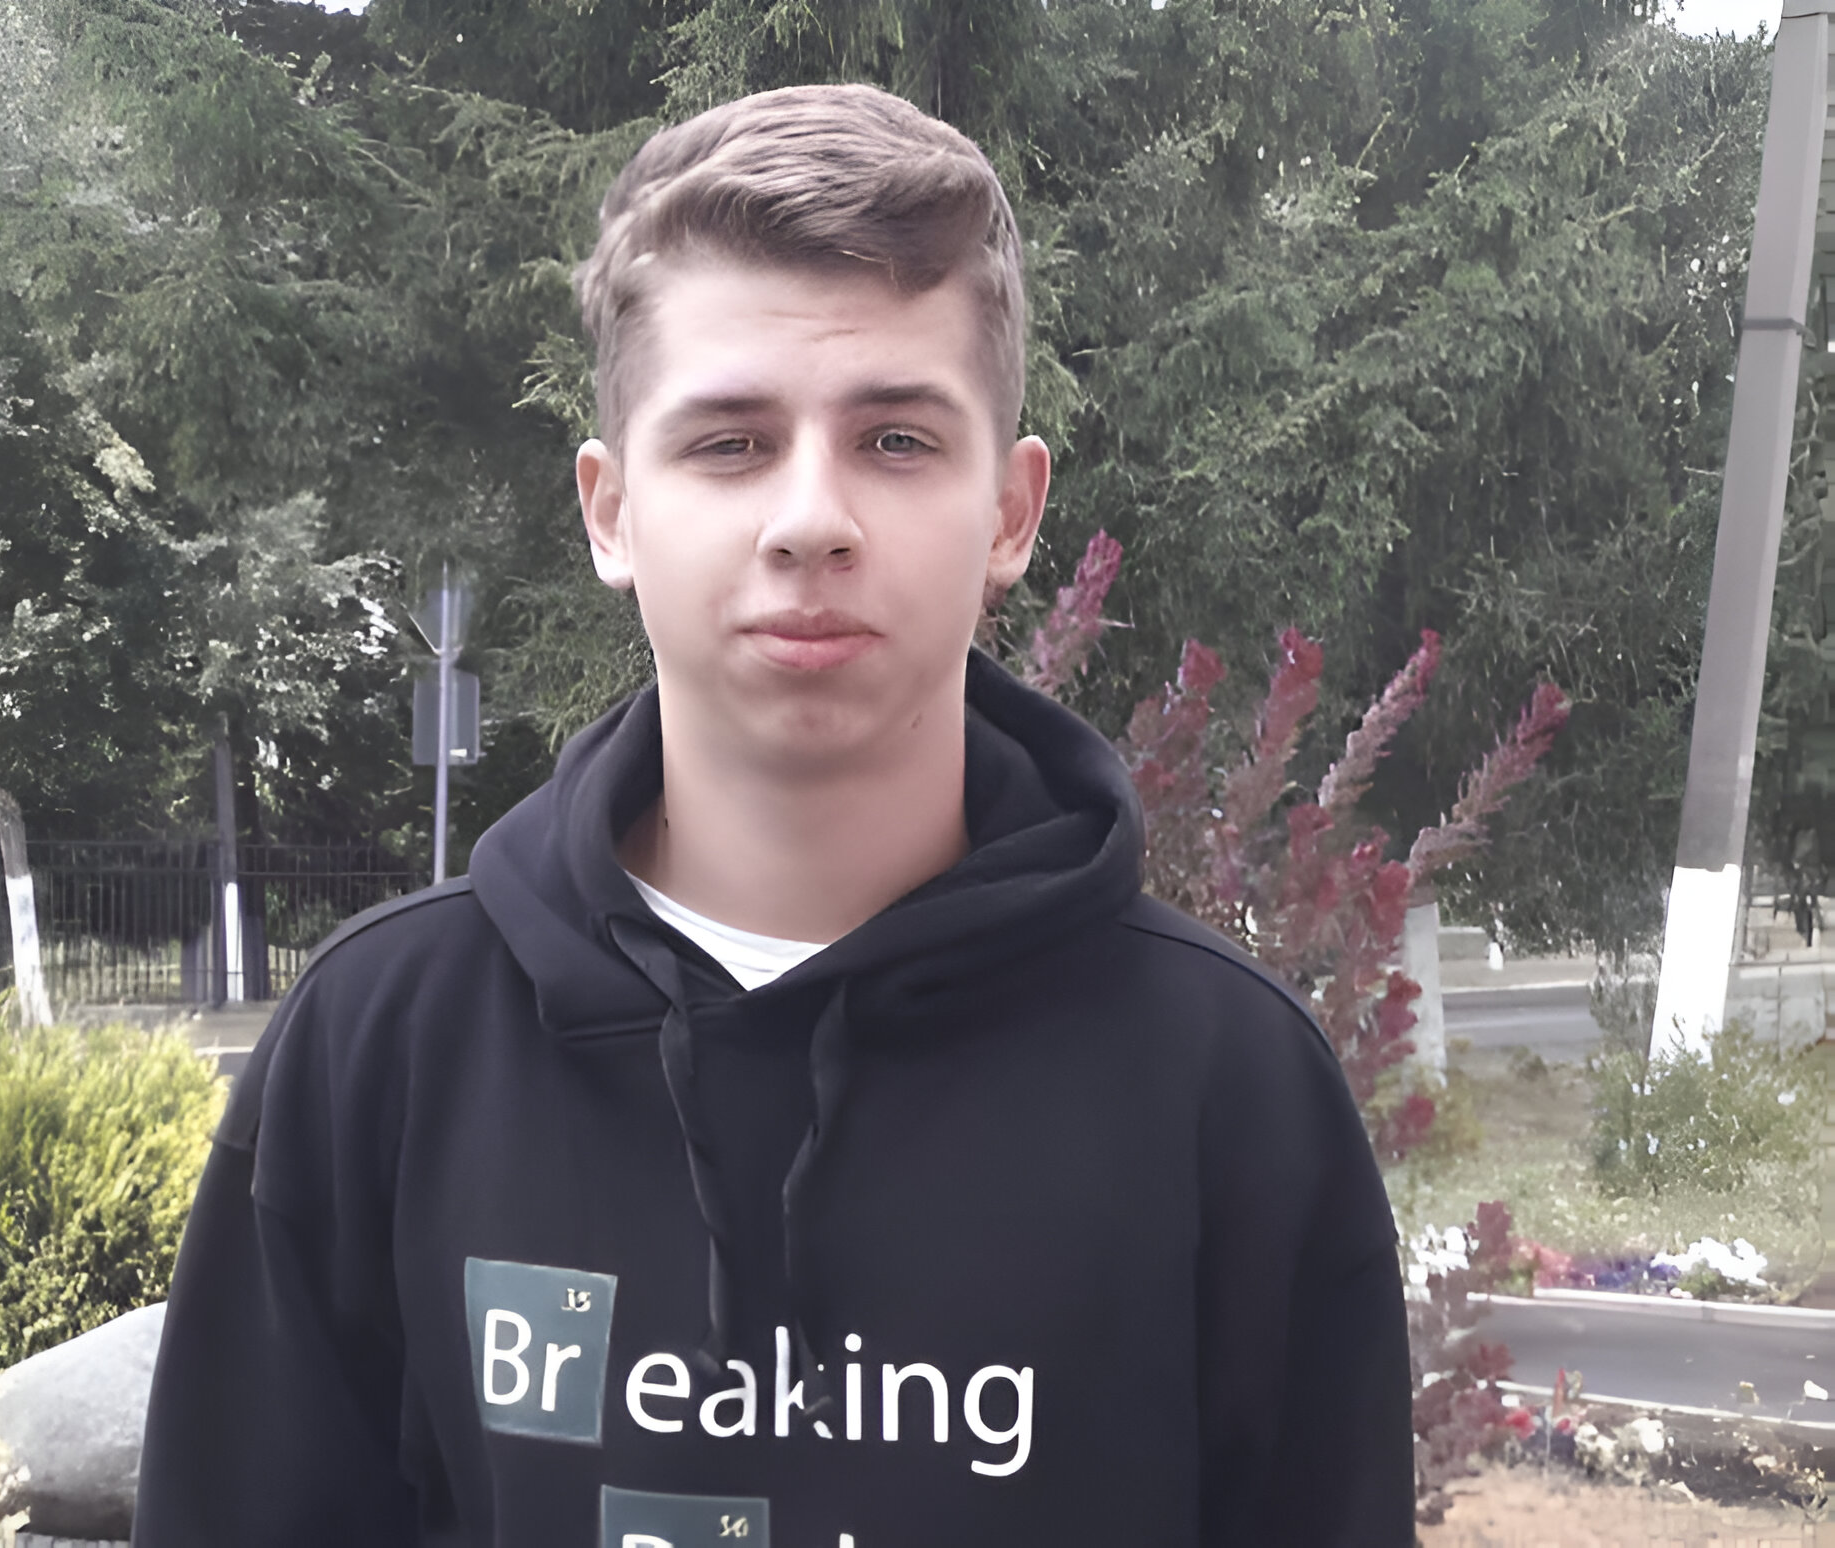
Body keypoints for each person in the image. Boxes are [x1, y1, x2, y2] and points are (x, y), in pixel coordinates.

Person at [135, 83, 1413, 1546]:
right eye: (731, 443)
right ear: (612, 511)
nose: (811, 519)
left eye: (898, 440)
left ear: (1011, 513)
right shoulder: (384, 1050)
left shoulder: (1232, 1089)